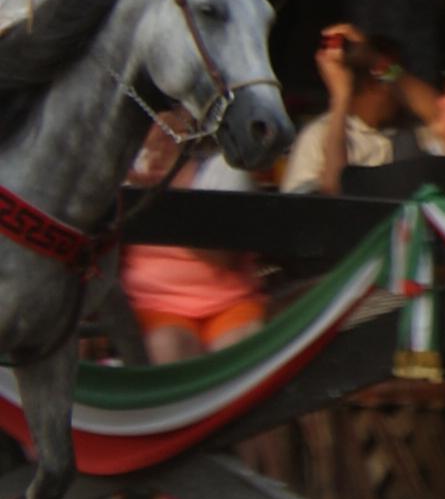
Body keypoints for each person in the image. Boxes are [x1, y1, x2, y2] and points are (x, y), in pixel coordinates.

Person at [121, 121, 268, 359]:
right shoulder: (129, 169)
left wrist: (165, 198)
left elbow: (223, 257)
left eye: (169, 120)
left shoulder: (225, 168)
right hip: (155, 306)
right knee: (168, 348)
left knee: (238, 353)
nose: (158, 126)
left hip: (229, 304)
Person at [286, 24, 424, 192]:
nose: (403, 97)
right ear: (375, 86)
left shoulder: (408, 136)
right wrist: (340, 96)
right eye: (391, 83)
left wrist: (374, 59)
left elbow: (430, 106)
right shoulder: (318, 136)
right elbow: (331, 191)